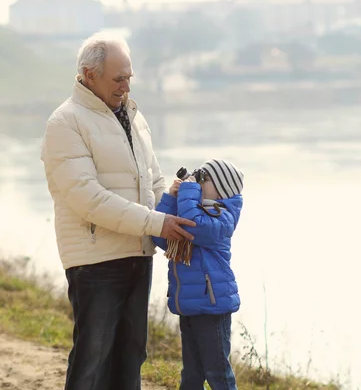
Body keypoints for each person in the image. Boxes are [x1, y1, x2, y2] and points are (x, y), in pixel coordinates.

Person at [40, 32, 196, 390]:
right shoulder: (65, 123)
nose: (126, 86)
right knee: (93, 360)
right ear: (88, 74)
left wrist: (176, 206)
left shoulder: (133, 117)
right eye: (118, 79)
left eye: (129, 77)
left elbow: (153, 179)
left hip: (138, 254)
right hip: (96, 263)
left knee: (131, 357)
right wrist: (157, 221)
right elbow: (88, 198)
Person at [152, 159, 244, 390]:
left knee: (218, 374)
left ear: (221, 188)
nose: (198, 183)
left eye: (204, 179)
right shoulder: (192, 209)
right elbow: (160, 236)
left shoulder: (221, 217)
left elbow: (194, 224)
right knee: (191, 375)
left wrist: (189, 190)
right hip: (189, 306)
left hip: (212, 307)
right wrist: (171, 198)